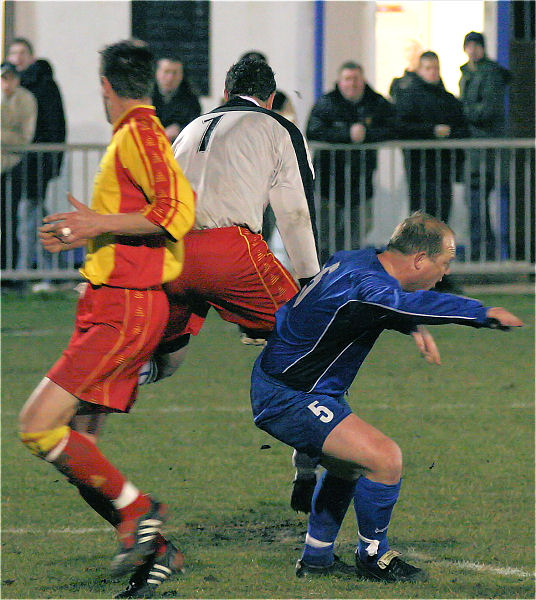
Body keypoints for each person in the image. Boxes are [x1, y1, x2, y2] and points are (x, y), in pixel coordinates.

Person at [113, 56, 321, 598]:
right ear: (271, 99)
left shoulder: (193, 128)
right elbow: (294, 212)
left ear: (225, 89)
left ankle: (114, 390)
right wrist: (310, 282)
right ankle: (308, 464)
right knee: (314, 341)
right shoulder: (277, 127)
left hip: (170, 253)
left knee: (169, 354)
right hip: (229, 248)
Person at [250, 211, 523, 582]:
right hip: (289, 394)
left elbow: (375, 303)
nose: (444, 275)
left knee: (350, 465)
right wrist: (481, 312)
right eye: (444, 264)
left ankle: (316, 559)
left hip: (297, 385)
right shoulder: (369, 285)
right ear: (419, 260)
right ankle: (373, 556)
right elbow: (400, 301)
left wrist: (408, 325)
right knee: (385, 459)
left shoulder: (356, 260)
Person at [19, 39, 195, 584]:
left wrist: (96, 226)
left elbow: (176, 212)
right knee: (80, 447)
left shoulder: (140, 132)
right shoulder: (136, 133)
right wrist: (92, 232)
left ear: (105, 86)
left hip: (124, 310)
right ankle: (157, 551)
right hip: (113, 304)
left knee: (37, 427)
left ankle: (141, 513)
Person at [306, 61, 396, 261]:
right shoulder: (326, 102)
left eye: (356, 79)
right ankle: (321, 275)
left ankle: (348, 272)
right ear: (339, 81)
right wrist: (347, 134)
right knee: (323, 234)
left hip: (361, 183)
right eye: (347, 79)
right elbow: (312, 130)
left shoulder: (377, 103)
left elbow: (394, 126)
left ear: (363, 81)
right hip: (327, 183)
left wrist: (367, 134)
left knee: (358, 232)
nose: (352, 84)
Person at [7, 37, 66, 283]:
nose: (17, 58)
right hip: (18, 162)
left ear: (31, 56)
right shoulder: (12, 85)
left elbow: (54, 126)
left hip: (36, 162)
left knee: (29, 216)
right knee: (36, 216)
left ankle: (24, 272)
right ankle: (53, 268)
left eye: (22, 52)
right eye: (14, 53)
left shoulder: (43, 85)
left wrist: (52, 161)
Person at [395, 51, 468, 224]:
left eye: (435, 68)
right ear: (420, 70)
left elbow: (462, 127)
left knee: (442, 215)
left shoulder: (448, 100)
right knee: (421, 217)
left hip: (443, 167)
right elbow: (402, 127)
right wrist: (432, 131)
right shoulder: (409, 98)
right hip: (418, 167)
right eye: (428, 68)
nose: (433, 72)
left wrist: (449, 133)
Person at [459, 31, 511, 261]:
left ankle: (482, 251)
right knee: (475, 200)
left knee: (476, 199)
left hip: (483, 146)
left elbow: (488, 110)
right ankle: (482, 250)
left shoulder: (489, 73)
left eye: (476, 45)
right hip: (476, 147)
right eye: (469, 45)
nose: (473, 50)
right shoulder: (469, 73)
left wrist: (461, 114)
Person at [1, 61, 37, 273]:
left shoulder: (26, 100)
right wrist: (9, 137)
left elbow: (25, 139)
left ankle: (7, 271)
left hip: (12, 166)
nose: (7, 83)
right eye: (4, 78)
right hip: (9, 159)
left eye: (11, 78)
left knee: (9, 220)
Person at [152, 55, 201, 143]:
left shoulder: (190, 97)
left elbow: (196, 125)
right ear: (157, 73)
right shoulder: (145, 95)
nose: (170, 78)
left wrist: (180, 129)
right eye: (166, 72)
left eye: (175, 73)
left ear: (182, 75)